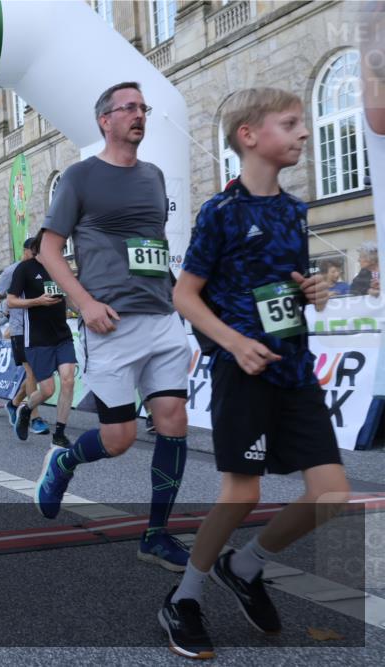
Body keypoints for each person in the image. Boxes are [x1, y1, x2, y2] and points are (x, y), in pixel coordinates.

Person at [158, 87, 349, 659]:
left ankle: (245, 566)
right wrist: (234, 343)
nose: (303, 132)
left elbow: (286, 283)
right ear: (249, 136)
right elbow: (185, 295)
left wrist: (311, 291)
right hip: (241, 370)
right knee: (242, 493)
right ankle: (184, 598)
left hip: (295, 368)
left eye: (302, 123)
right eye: (289, 123)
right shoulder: (221, 212)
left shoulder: (294, 211)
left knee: (331, 493)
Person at [34, 81, 192, 572]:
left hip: (161, 317)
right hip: (110, 322)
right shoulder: (80, 177)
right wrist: (84, 303)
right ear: (105, 120)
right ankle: (64, 461)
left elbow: (155, 247)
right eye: (128, 108)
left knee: (174, 421)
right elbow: (49, 250)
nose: (139, 115)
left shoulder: (155, 176)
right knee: (119, 438)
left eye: (143, 107)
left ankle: (156, 535)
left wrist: (181, 304)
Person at [7, 231, 77, 446]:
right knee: (47, 390)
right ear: (40, 246)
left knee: (68, 380)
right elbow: (11, 301)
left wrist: (85, 310)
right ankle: (26, 409)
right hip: (37, 338)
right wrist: (37, 301)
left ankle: (60, 433)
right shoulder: (25, 269)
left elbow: (69, 297)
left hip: (62, 336)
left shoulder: (61, 267)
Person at [0, 237, 51, 436]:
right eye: (33, 252)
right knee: (31, 372)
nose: (36, 256)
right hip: (20, 330)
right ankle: (34, 418)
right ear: (25, 251)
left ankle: (14, 403)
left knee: (38, 374)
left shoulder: (44, 269)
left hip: (41, 328)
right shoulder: (12, 271)